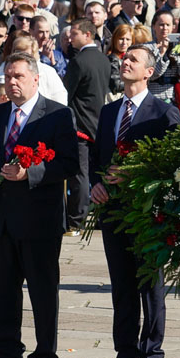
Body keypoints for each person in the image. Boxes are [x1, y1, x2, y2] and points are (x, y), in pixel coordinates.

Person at [0, 53, 79, 358]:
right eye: (7, 77)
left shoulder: (57, 115)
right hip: (1, 218)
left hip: (39, 219)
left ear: (35, 79)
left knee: (43, 290)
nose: (12, 83)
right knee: (3, 288)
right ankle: (6, 353)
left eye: (18, 77)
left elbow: (69, 164)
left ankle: (45, 356)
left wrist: (30, 173)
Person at [90, 44, 180, 358]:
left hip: (148, 213)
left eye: (133, 60)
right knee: (121, 286)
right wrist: (96, 185)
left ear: (149, 72)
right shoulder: (110, 111)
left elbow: (172, 165)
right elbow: (99, 157)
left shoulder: (162, 112)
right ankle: (125, 356)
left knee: (150, 285)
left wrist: (137, 177)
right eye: (124, 59)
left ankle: (152, 355)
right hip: (114, 212)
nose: (125, 62)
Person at [63, 19, 111, 234]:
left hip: (80, 124)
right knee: (96, 173)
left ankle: (77, 218)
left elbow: (68, 92)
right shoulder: (103, 60)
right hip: (98, 122)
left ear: (88, 35)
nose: (70, 37)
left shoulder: (78, 61)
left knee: (80, 174)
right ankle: (100, 213)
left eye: (74, 33)